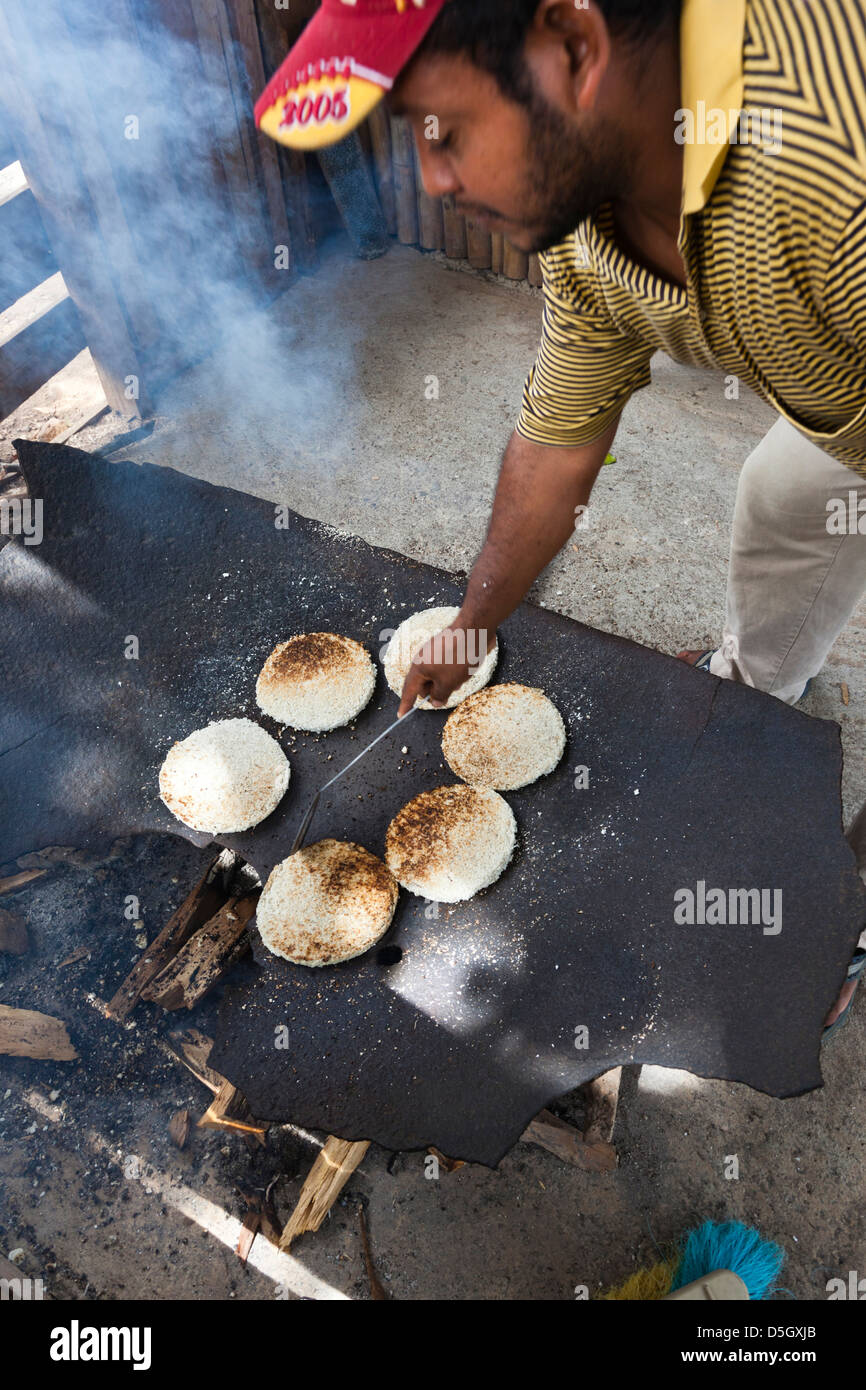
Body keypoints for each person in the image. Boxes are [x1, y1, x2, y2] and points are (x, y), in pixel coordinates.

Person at [256, 0, 866, 1032]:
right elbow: (559, 431)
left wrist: (839, 883)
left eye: (441, 127)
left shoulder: (828, 175)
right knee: (786, 494)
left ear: (573, 45)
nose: (433, 176)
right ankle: (756, 688)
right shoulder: (588, 212)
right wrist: (473, 618)